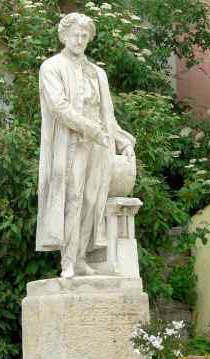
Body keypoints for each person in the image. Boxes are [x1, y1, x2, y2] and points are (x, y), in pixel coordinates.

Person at [36, 12, 135, 278]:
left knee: (93, 201)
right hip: (71, 144)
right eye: (75, 35)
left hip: (98, 146)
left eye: (84, 36)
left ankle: (80, 258)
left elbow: (108, 115)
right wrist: (92, 129)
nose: (79, 40)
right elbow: (59, 107)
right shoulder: (52, 67)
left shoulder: (97, 73)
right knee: (72, 197)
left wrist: (122, 141)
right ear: (64, 36)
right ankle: (67, 261)